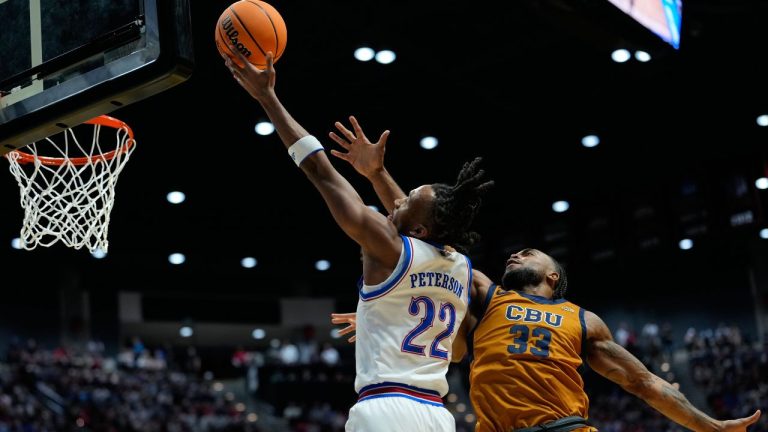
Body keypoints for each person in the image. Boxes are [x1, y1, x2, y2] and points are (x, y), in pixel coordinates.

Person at [328, 134, 762, 432]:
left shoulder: (582, 320)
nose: (517, 253)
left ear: (553, 276)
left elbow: (643, 382)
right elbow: (424, 233)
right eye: (517, 253)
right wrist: (377, 177)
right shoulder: (484, 293)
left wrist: (710, 425)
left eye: (531, 253)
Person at [222, 50, 493, 432]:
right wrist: (385, 316)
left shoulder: (389, 248)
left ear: (417, 231)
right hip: (437, 416)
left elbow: (322, 172)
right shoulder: (460, 267)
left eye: (405, 202)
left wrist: (267, 97)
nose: (396, 202)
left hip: (385, 410)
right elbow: (460, 350)